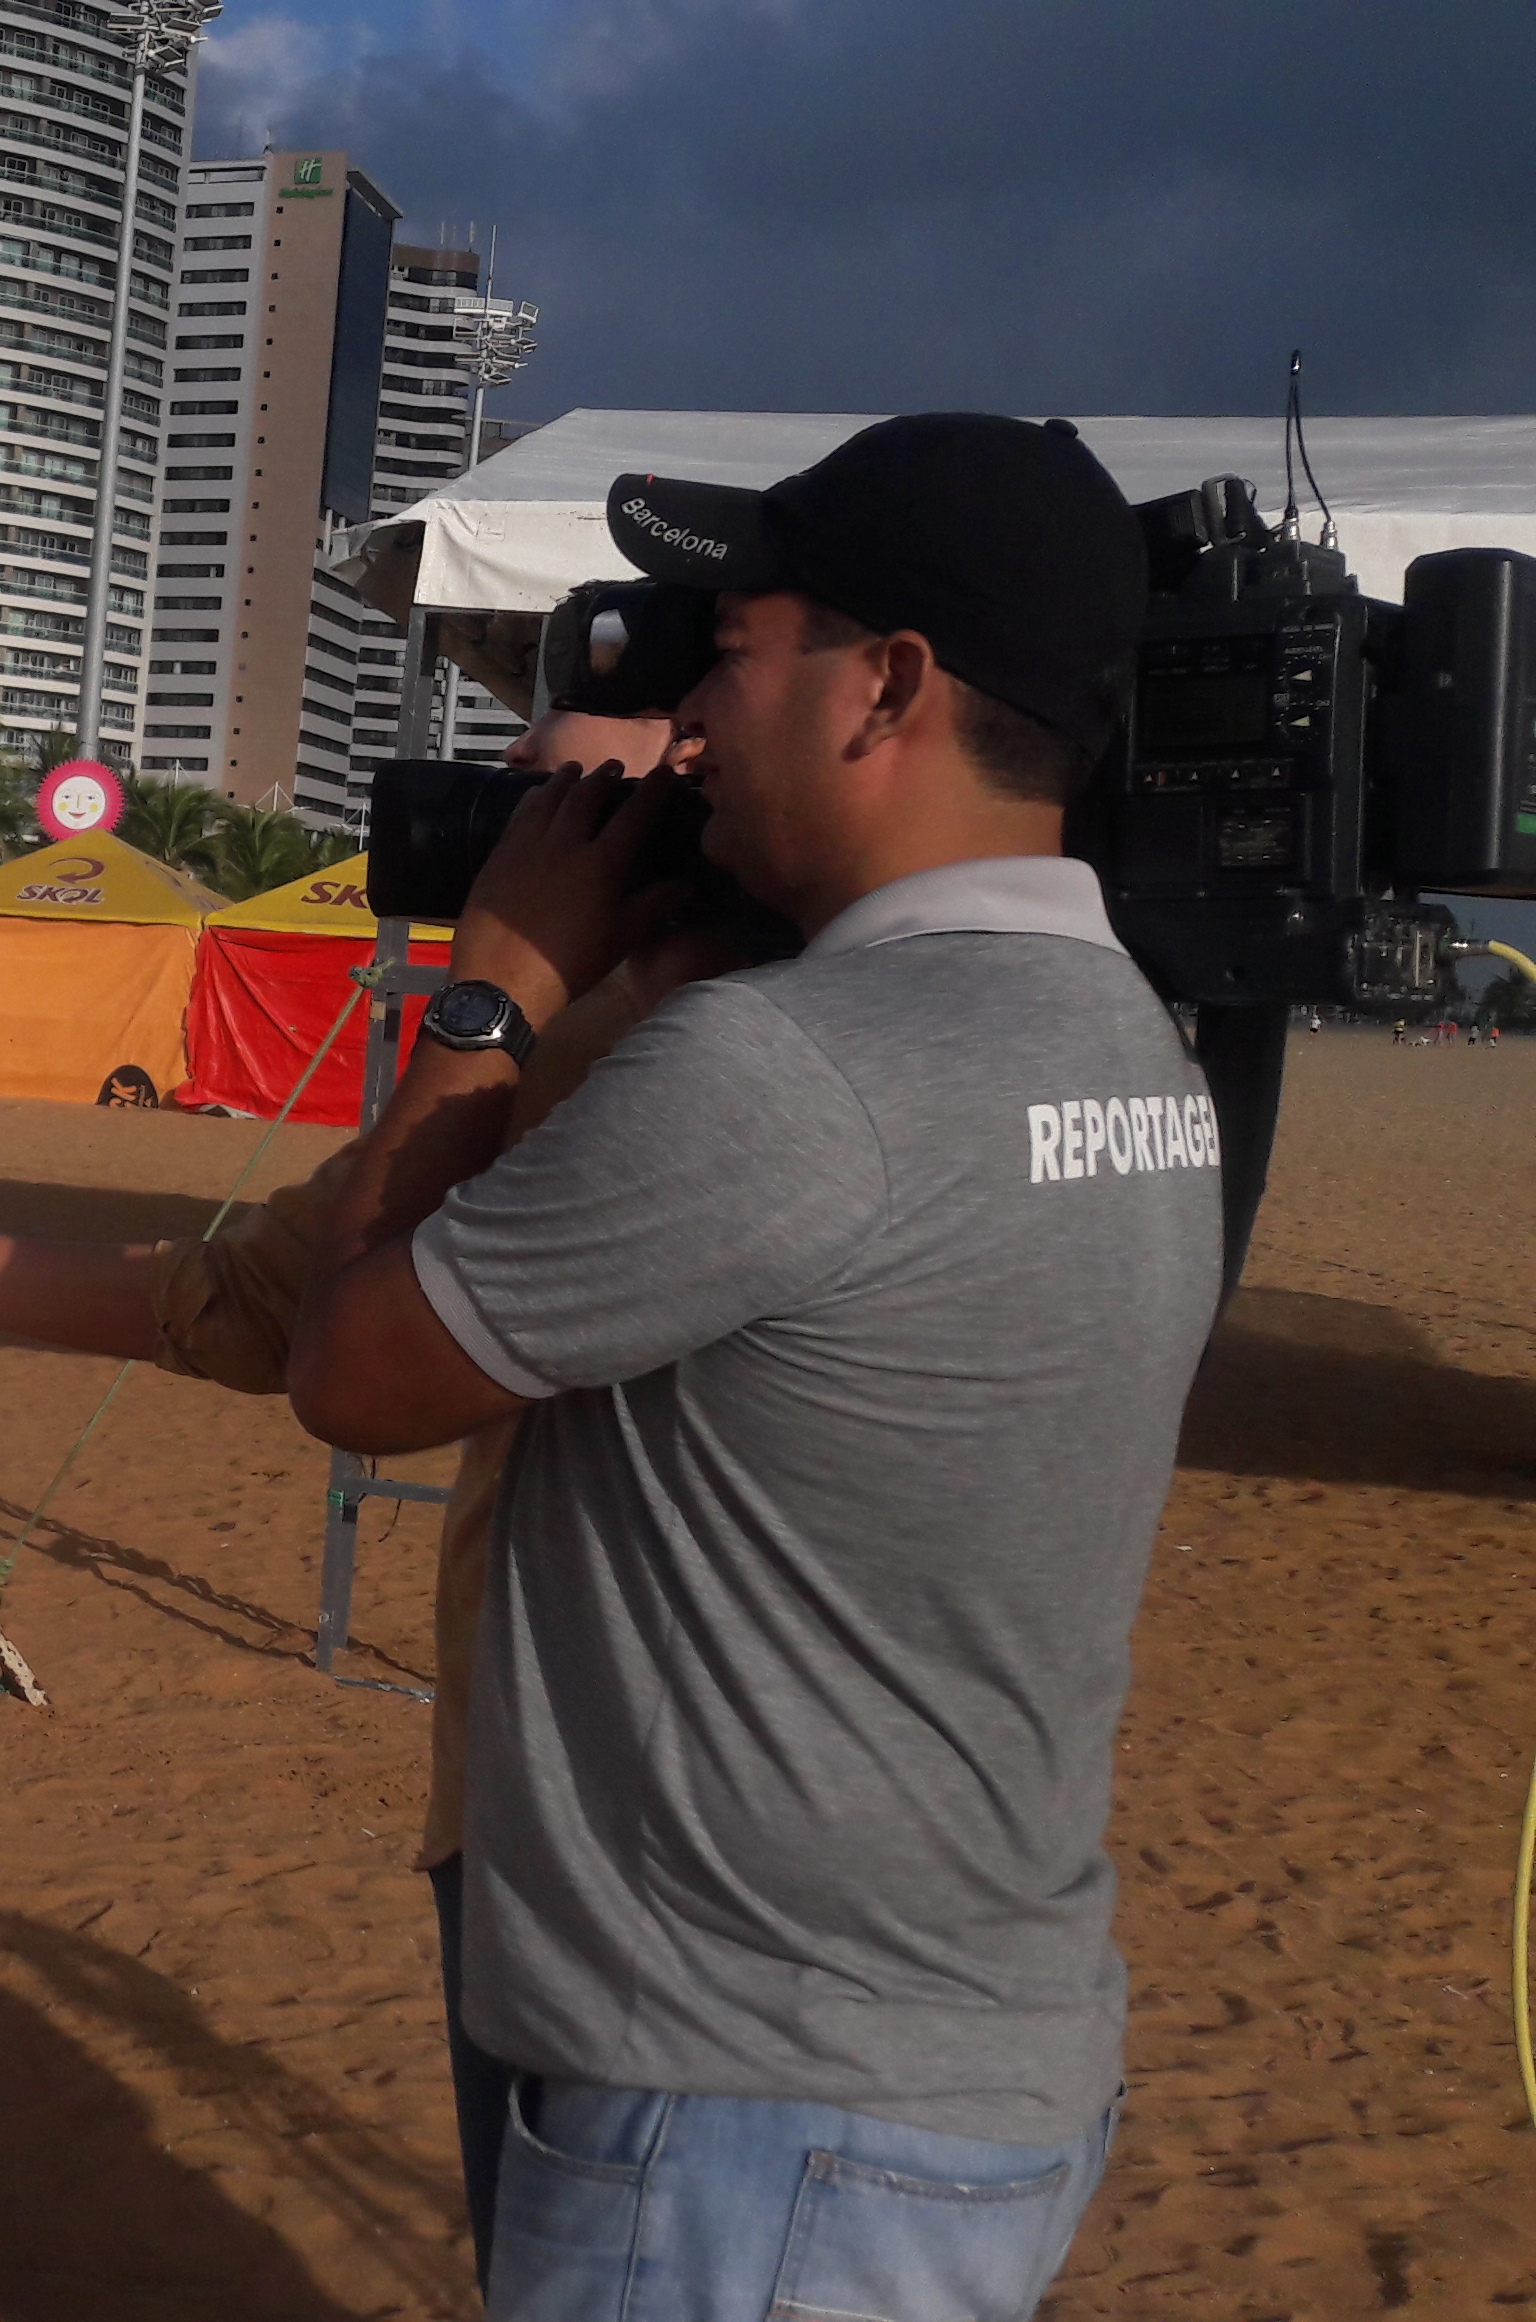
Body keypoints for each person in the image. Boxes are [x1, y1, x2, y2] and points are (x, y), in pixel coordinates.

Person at [281, 416, 1216, 2319]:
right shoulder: (1136, 1047)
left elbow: (351, 1376)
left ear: (887, 687)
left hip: (744, 2124)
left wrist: (496, 990)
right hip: (969, 2057)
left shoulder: (790, 1076)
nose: (689, 721)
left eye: (731, 649)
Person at [0, 695, 737, 2278]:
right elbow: (261, 1298)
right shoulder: (657, 1033)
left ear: (702, 762)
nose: (513, 799)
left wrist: (494, 1001)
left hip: (645, 1874)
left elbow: (330, 1353)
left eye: (567, 778)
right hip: (541, 1816)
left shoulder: (703, 1063)